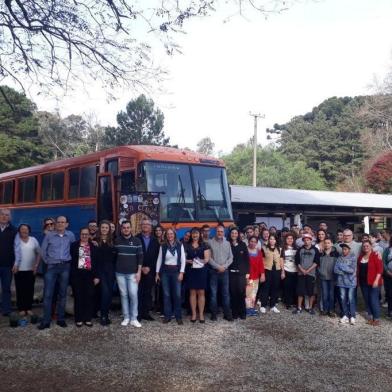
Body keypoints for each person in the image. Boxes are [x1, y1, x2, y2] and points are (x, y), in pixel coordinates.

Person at [39, 216, 76, 329]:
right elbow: (43, 251)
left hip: (65, 267)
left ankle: (61, 319)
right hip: (52, 268)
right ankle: (46, 320)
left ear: (66, 224)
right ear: (56, 224)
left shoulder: (70, 235)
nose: (60, 224)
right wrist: (49, 262)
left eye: (62, 222)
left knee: (63, 294)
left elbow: (74, 249)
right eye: (58, 222)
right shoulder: (49, 236)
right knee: (48, 295)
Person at [114, 220, 143, 327]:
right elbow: (114, 256)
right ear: (121, 229)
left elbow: (140, 257)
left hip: (133, 273)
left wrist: (139, 272)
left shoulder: (137, 241)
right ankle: (126, 317)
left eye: (128, 227)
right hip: (120, 273)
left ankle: (134, 318)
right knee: (124, 295)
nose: (126, 229)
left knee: (133, 295)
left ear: (131, 228)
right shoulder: (117, 241)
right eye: (124, 228)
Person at [70, 228, 100, 327]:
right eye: (82, 234)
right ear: (80, 235)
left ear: (89, 235)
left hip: (89, 276)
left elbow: (96, 262)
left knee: (89, 296)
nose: (84, 236)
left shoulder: (93, 246)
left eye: (86, 234)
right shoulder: (74, 245)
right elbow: (71, 262)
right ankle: (78, 318)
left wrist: (96, 276)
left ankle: (88, 318)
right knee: (78, 297)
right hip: (77, 275)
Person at [156, 228, 186, 324]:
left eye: (171, 234)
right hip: (165, 272)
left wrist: (181, 272)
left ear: (174, 235)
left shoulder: (179, 245)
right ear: (166, 235)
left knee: (177, 294)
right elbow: (159, 260)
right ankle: (167, 316)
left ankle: (178, 316)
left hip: (176, 271)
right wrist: (157, 273)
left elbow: (183, 260)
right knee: (166, 294)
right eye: (168, 234)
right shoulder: (163, 246)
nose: (169, 236)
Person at [12, 224, 40, 317]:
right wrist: (14, 265)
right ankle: (21, 308)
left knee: (30, 289)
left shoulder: (33, 240)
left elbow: (39, 253)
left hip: (31, 269)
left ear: (29, 230)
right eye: (22, 229)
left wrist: (36, 265)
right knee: (20, 289)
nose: (24, 231)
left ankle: (28, 308)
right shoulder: (16, 241)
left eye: (26, 229)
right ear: (19, 231)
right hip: (19, 269)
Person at [208, 224, 233, 321]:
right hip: (214, 272)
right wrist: (218, 267)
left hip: (225, 272)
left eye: (222, 231)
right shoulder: (210, 242)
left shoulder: (227, 243)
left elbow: (231, 257)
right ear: (215, 232)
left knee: (226, 294)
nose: (220, 233)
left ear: (224, 232)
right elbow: (209, 258)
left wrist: (224, 266)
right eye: (218, 231)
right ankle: (213, 314)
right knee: (213, 294)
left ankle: (227, 314)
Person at [136, 218, 160, 321]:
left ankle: (146, 313)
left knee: (148, 293)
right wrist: (141, 268)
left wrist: (149, 268)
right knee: (138, 292)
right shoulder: (135, 238)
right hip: (138, 270)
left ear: (151, 227)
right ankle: (138, 314)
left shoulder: (155, 241)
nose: (145, 226)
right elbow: (134, 255)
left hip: (150, 271)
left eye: (148, 224)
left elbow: (157, 257)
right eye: (144, 224)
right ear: (141, 226)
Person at [184, 227, 210, 323]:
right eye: (193, 233)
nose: (195, 235)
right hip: (191, 271)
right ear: (191, 235)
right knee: (192, 293)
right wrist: (189, 261)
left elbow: (207, 259)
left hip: (201, 271)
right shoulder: (187, 245)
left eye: (197, 233)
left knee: (201, 293)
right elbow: (183, 258)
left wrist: (199, 261)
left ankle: (201, 314)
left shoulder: (205, 245)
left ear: (200, 234)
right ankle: (194, 314)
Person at [95, 220, 117, 326]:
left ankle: (106, 313)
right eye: (102, 227)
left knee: (109, 294)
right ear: (100, 228)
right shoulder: (95, 241)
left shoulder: (113, 241)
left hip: (111, 271)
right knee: (105, 292)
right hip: (100, 271)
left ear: (109, 230)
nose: (104, 229)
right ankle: (103, 315)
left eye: (106, 228)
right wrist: (95, 274)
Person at [293, 233, 320, 315]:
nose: (306, 241)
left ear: (311, 240)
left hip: (311, 274)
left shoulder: (315, 250)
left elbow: (316, 262)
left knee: (311, 292)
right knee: (300, 291)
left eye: (308, 240)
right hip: (301, 274)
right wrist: (302, 270)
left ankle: (311, 308)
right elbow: (297, 262)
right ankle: (299, 307)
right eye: (305, 240)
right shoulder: (300, 249)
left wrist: (308, 270)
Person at [358, 240, 383, 326]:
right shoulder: (361, 257)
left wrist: (376, 280)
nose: (365, 247)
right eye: (364, 246)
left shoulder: (375, 255)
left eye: (367, 246)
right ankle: (371, 317)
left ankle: (376, 319)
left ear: (371, 246)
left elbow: (380, 269)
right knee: (367, 299)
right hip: (363, 282)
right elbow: (358, 269)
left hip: (373, 282)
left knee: (373, 300)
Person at [228, 227, 249, 320]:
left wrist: (247, 273)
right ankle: (234, 313)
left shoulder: (243, 244)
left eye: (236, 233)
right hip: (231, 272)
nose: (234, 235)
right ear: (230, 234)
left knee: (241, 292)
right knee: (233, 293)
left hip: (241, 273)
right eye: (232, 233)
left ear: (238, 234)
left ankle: (242, 312)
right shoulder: (227, 244)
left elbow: (246, 259)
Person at [0, 208, 17, 317]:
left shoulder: (14, 230)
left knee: (6, 288)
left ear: (10, 217)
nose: (5, 216)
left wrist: (15, 263)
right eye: (2, 214)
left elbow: (17, 248)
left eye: (7, 215)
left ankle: (6, 310)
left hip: (7, 265)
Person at [334, 243, 357, 325]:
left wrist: (342, 266)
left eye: (345, 249)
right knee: (343, 298)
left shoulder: (353, 257)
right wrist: (344, 270)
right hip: (341, 282)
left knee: (351, 299)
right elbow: (335, 270)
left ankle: (352, 316)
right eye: (343, 249)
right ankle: (345, 315)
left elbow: (352, 270)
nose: (344, 251)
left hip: (351, 282)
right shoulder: (339, 258)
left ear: (349, 250)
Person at [260, 234, 283, 313]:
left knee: (275, 288)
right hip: (267, 270)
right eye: (270, 239)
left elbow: (281, 260)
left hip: (277, 270)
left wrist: (282, 271)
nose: (271, 240)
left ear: (276, 240)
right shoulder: (264, 248)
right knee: (266, 288)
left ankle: (272, 305)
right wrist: (262, 273)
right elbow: (261, 261)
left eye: (273, 239)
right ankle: (263, 305)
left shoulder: (279, 249)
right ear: (268, 240)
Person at [318, 238, 339, 317]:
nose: (327, 244)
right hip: (323, 277)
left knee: (331, 295)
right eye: (325, 243)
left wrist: (335, 274)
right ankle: (325, 309)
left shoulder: (335, 253)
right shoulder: (321, 253)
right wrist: (321, 272)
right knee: (325, 294)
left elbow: (337, 265)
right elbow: (318, 265)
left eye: (328, 243)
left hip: (332, 277)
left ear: (332, 244)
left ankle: (331, 310)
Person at [246, 236, 265, 316]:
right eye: (251, 241)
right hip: (248, 276)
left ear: (257, 243)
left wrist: (262, 274)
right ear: (248, 241)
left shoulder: (259, 252)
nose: (253, 243)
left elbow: (261, 264)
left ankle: (252, 308)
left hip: (256, 276)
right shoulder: (245, 251)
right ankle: (247, 309)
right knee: (248, 293)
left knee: (254, 293)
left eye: (255, 242)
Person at [281, 233, 297, 309]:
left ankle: (293, 302)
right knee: (287, 287)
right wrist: (283, 271)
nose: (290, 240)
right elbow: (281, 260)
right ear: (285, 240)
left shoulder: (296, 248)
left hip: (295, 270)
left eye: (291, 238)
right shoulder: (283, 249)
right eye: (288, 238)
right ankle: (288, 303)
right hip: (287, 270)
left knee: (294, 287)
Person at [382, 238, 392, 318]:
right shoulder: (387, 250)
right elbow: (383, 262)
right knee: (389, 293)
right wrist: (387, 271)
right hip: (388, 275)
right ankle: (390, 310)